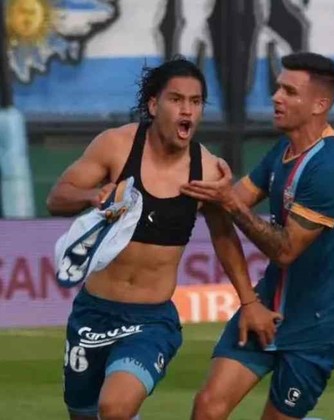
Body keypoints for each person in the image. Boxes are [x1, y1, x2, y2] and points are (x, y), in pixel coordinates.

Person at [47, 58, 258, 420]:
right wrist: (93, 196)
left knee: (115, 407)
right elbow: (57, 198)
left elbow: (224, 237)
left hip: (150, 320)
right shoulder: (115, 146)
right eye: (177, 99)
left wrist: (249, 301)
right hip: (92, 312)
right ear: (153, 104)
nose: (187, 110)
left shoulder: (207, 170)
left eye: (195, 101)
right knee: (85, 413)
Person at [187, 52, 334, 420]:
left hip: (319, 324)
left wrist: (227, 202)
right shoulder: (283, 150)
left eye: (289, 91)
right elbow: (230, 200)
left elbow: (285, 250)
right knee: (207, 408)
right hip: (265, 306)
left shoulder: (332, 165)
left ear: (319, 104)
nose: (276, 97)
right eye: (278, 88)